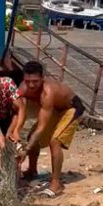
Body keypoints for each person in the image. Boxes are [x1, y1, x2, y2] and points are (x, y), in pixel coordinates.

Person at [12, 61, 86, 198]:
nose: (31, 85)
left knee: (55, 141)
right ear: (23, 79)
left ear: (42, 78)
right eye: (28, 81)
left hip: (71, 109)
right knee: (31, 137)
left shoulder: (48, 92)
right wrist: (15, 131)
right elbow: (20, 111)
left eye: (35, 81)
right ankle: (32, 170)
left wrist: (25, 150)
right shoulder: (23, 88)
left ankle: (56, 183)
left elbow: (41, 127)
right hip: (55, 110)